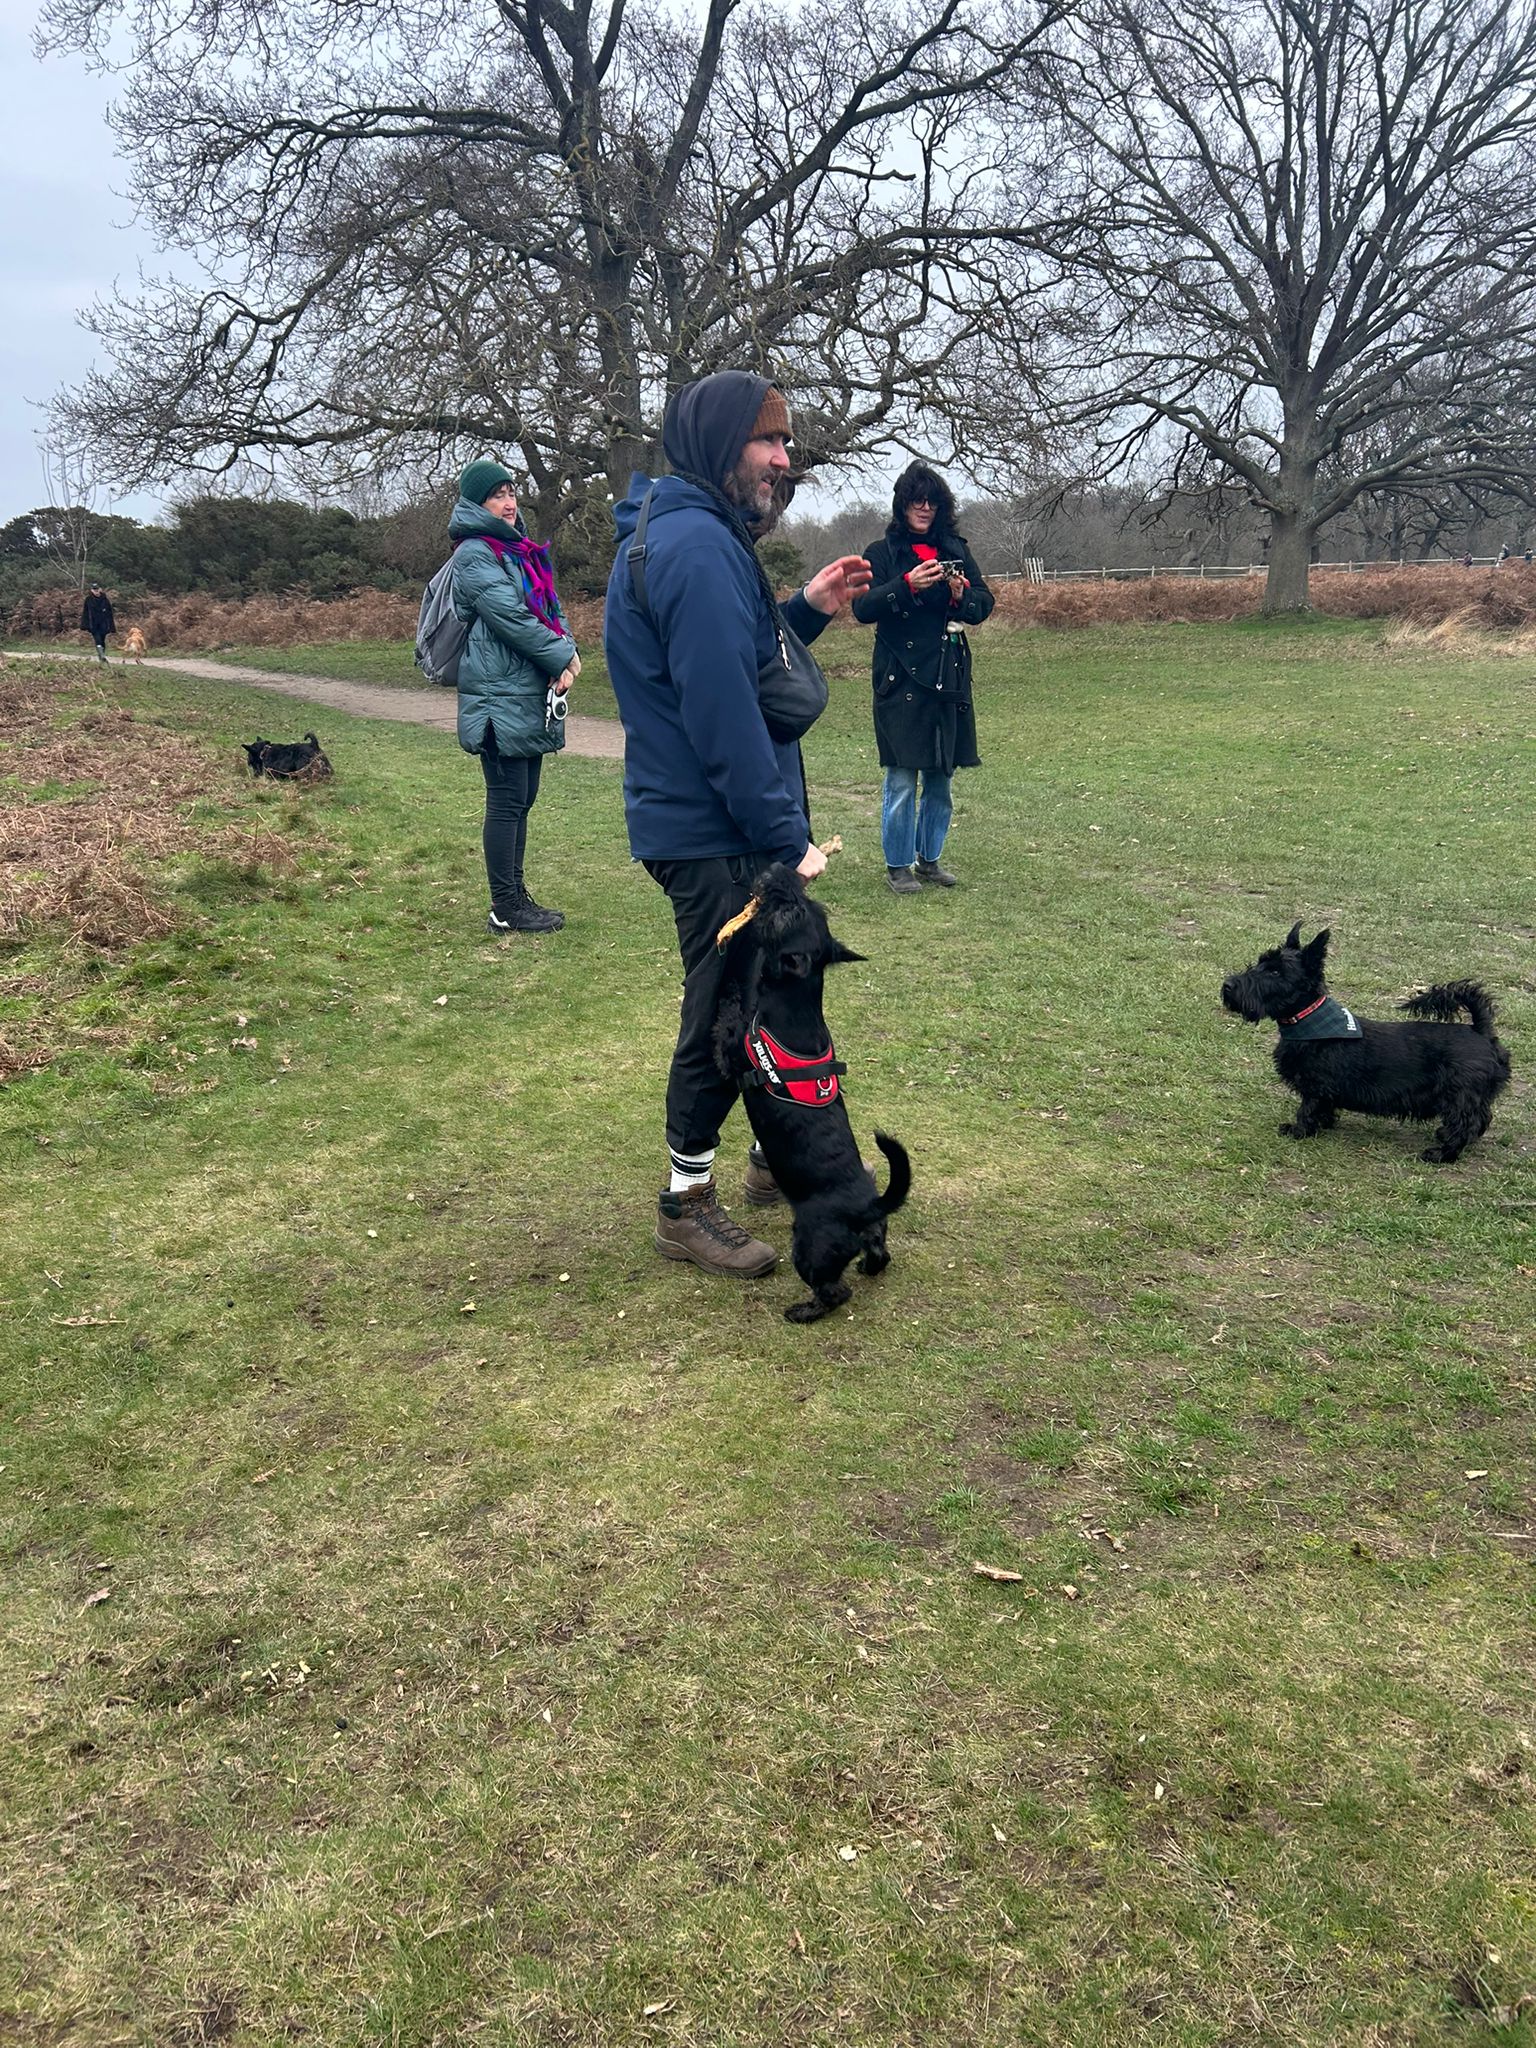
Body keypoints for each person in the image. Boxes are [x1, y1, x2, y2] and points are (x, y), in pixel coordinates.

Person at [605, 371, 872, 1277]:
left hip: (707, 822)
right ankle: (684, 1205)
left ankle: (774, 1160)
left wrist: (804, 612)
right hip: (713, 832)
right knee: (724, 1012)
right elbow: (721, 714)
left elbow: (737, 663)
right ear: (722, 445)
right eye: (769, 441)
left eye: (786, 442)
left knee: (767, 996)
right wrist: (786, 836)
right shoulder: (696, 548)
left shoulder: (689, 532)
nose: (784, 459)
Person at [449, 459, 580, 935]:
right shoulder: (474, 554)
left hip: (524, 694)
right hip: (496, 700)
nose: (509, 503)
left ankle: (515, 896)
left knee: (523, 799)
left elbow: (550, 608)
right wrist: (562, 655)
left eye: (511, 492)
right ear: (476, 504)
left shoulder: (520, 551)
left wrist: (566, 655)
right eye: (497, 495)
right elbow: (511, 618)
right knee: (506, 801)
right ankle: (504, 906)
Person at [852, 462, 995, 893]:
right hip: (900, 678)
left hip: (947, 674)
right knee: (901, 777)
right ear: (903, 504)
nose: (924, 507)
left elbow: (984, 602)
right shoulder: (881, 552)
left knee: (941, 776)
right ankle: (898, 865)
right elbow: (863, 608)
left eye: (932, 501)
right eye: (916, 500)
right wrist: (908, 585)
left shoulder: (955, 549)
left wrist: (962, 595)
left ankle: (929, 859)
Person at [80, 583, 115, 663]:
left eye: (97, 589)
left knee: (102, 640)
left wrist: (111, 626)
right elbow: (85, 612)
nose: (96, 591)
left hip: (103, 624)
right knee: (97, 640)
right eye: (94, 589)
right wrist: (85, 625)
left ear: (100, 589)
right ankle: (102, 656)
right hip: (93, 624)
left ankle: (102, 656)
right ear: (91, 590)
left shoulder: (105, 599)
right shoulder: (88, 599)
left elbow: (109, 613)